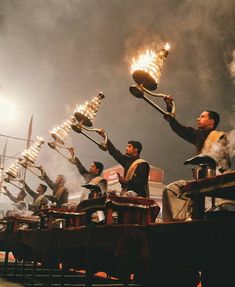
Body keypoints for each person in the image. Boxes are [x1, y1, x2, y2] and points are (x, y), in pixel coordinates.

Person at [162, 107, 231, 222]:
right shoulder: (198, 135)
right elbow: (181, 130)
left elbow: (223, 163)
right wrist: (171, 120)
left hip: (215, 180)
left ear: (211, 122)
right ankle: (177, 220)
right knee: (170, 189)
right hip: (200, 179)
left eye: (202, 116)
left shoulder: (221, 137)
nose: (198, 119)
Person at [98, 130, 150, 198]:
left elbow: (142, 181)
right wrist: (105, 137)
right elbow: (114, 152)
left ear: (135, 150)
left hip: (139, 198)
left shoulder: (143, 164)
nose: (126, 148)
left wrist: (127, 181)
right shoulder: (126, 161)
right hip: (126, 196)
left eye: (129, 146)